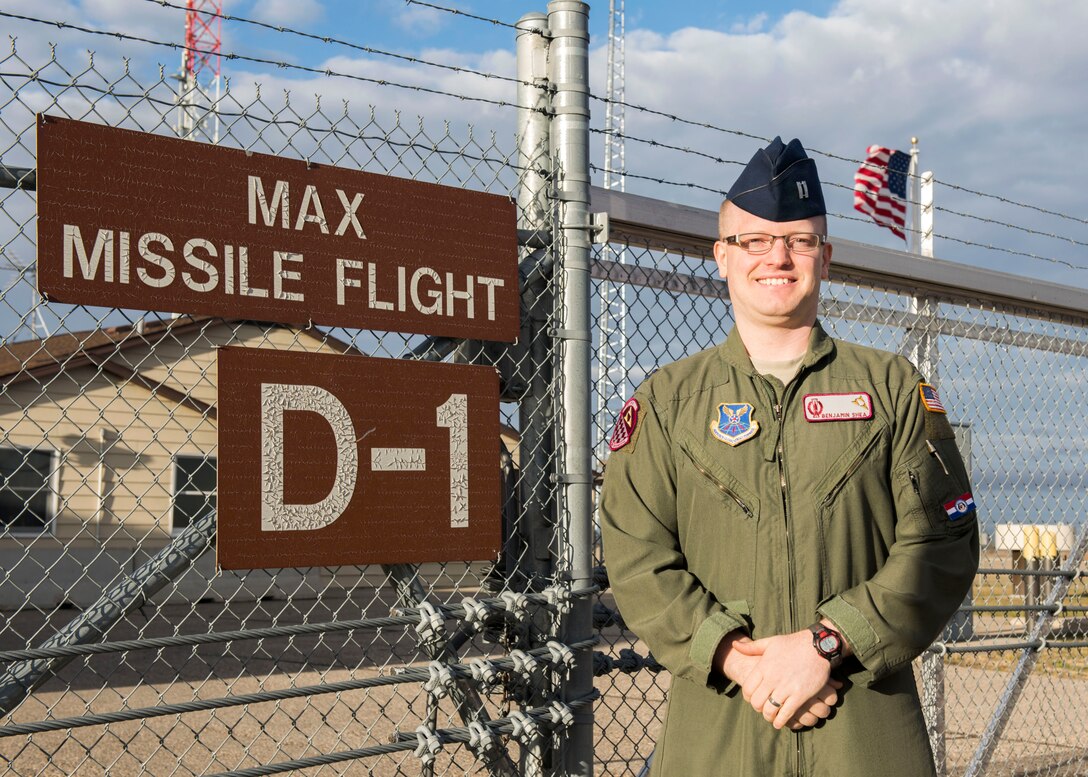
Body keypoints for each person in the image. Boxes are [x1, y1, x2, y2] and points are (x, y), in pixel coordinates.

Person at [599, 137, 979, 776]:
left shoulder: (891, 388)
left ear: (824, 258)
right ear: (721, 256)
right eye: (753, 241)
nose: (777, 256)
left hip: (864, 740)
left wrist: (827, 647)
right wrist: (743, 664)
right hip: (718, 741)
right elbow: (637, 555)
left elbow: (943, 541)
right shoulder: (667, 402)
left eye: (799, 241)